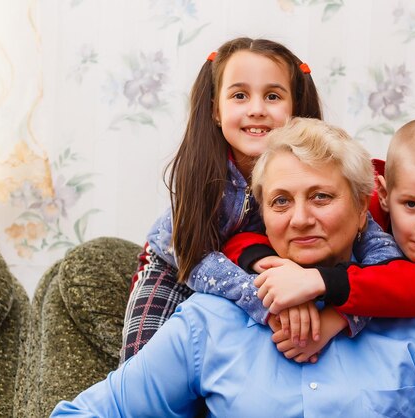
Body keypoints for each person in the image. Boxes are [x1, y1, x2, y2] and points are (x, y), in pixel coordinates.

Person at [51, 118, 415, 417]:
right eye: (281, 201)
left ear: (364, 210)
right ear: (264, 216)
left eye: (321, 197)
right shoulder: (210, 321)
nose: (300, 218)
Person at [121, 37, 398, 361]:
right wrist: (266, 301)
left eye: (272, 96)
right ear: (215, 111)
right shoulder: (205, 178)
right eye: (240, 95)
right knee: (145, 364)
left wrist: (339, 316)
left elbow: (386, 269)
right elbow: (193, 256)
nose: (256, 109)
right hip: (179, 270)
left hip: (266, 277)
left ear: (295, 108)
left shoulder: (329, 173)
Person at [220, 117, 415, 360]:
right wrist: (274, 266)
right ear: (384, 194)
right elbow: (240, 240)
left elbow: (413, 290)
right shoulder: (365, 202)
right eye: (411, 205)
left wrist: (330, 309)